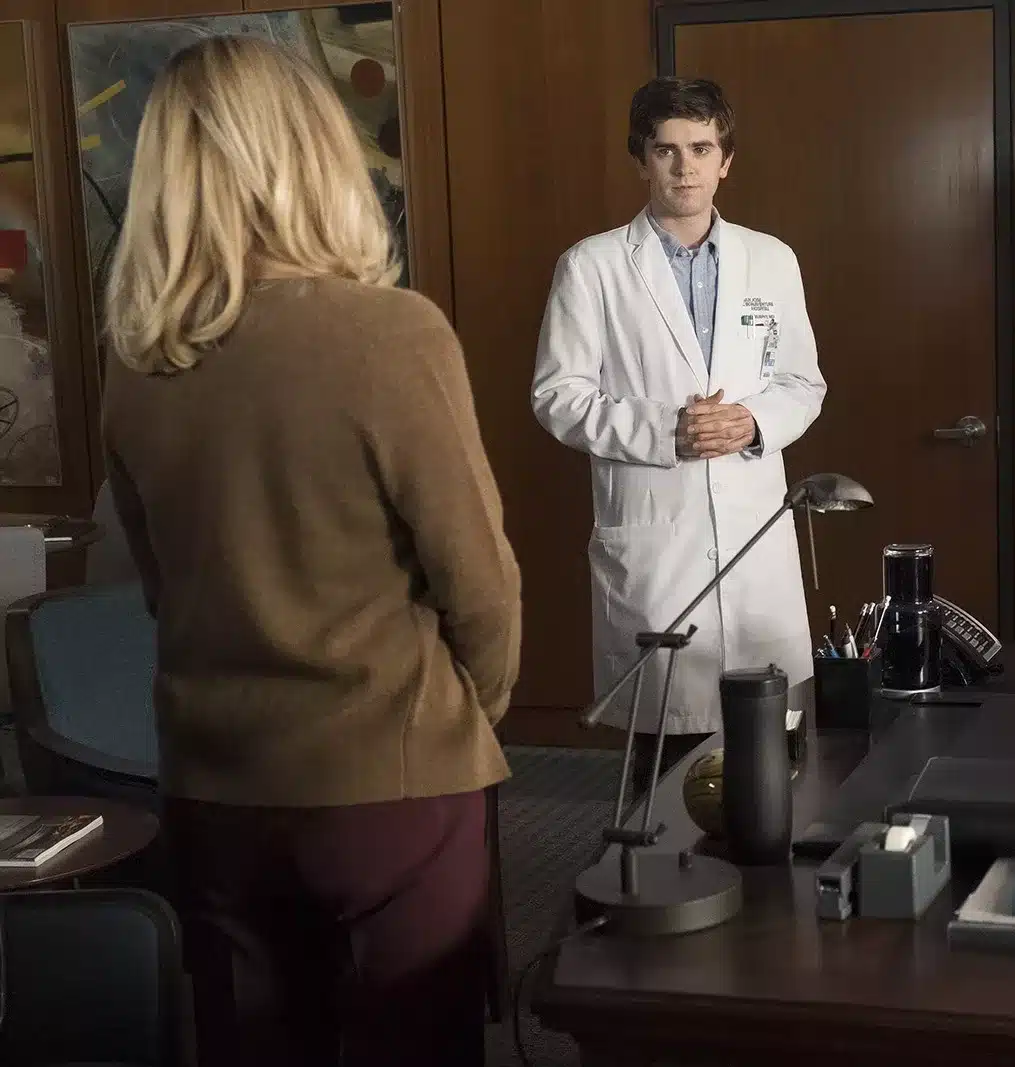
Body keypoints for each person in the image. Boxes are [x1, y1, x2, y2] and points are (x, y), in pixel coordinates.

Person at [99, 36, 521, 1067]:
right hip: (391, 782)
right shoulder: (391, 332)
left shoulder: (137, 359)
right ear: (315, 154)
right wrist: (463, 717)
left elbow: (159, 589)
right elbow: (481, 586)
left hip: (214, 785)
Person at [532, 77, 825, 786]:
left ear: (727, 160)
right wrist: (668, 432)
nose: (684, 167)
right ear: (642, 160)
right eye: (666, 150)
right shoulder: (592, 266)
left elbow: (802, 383)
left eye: (701, 148)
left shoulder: (772, 259)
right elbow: (558, 396)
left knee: (774, 761)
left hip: (755, 538)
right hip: (656, 539)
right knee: (665, 765)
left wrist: (752, 421)